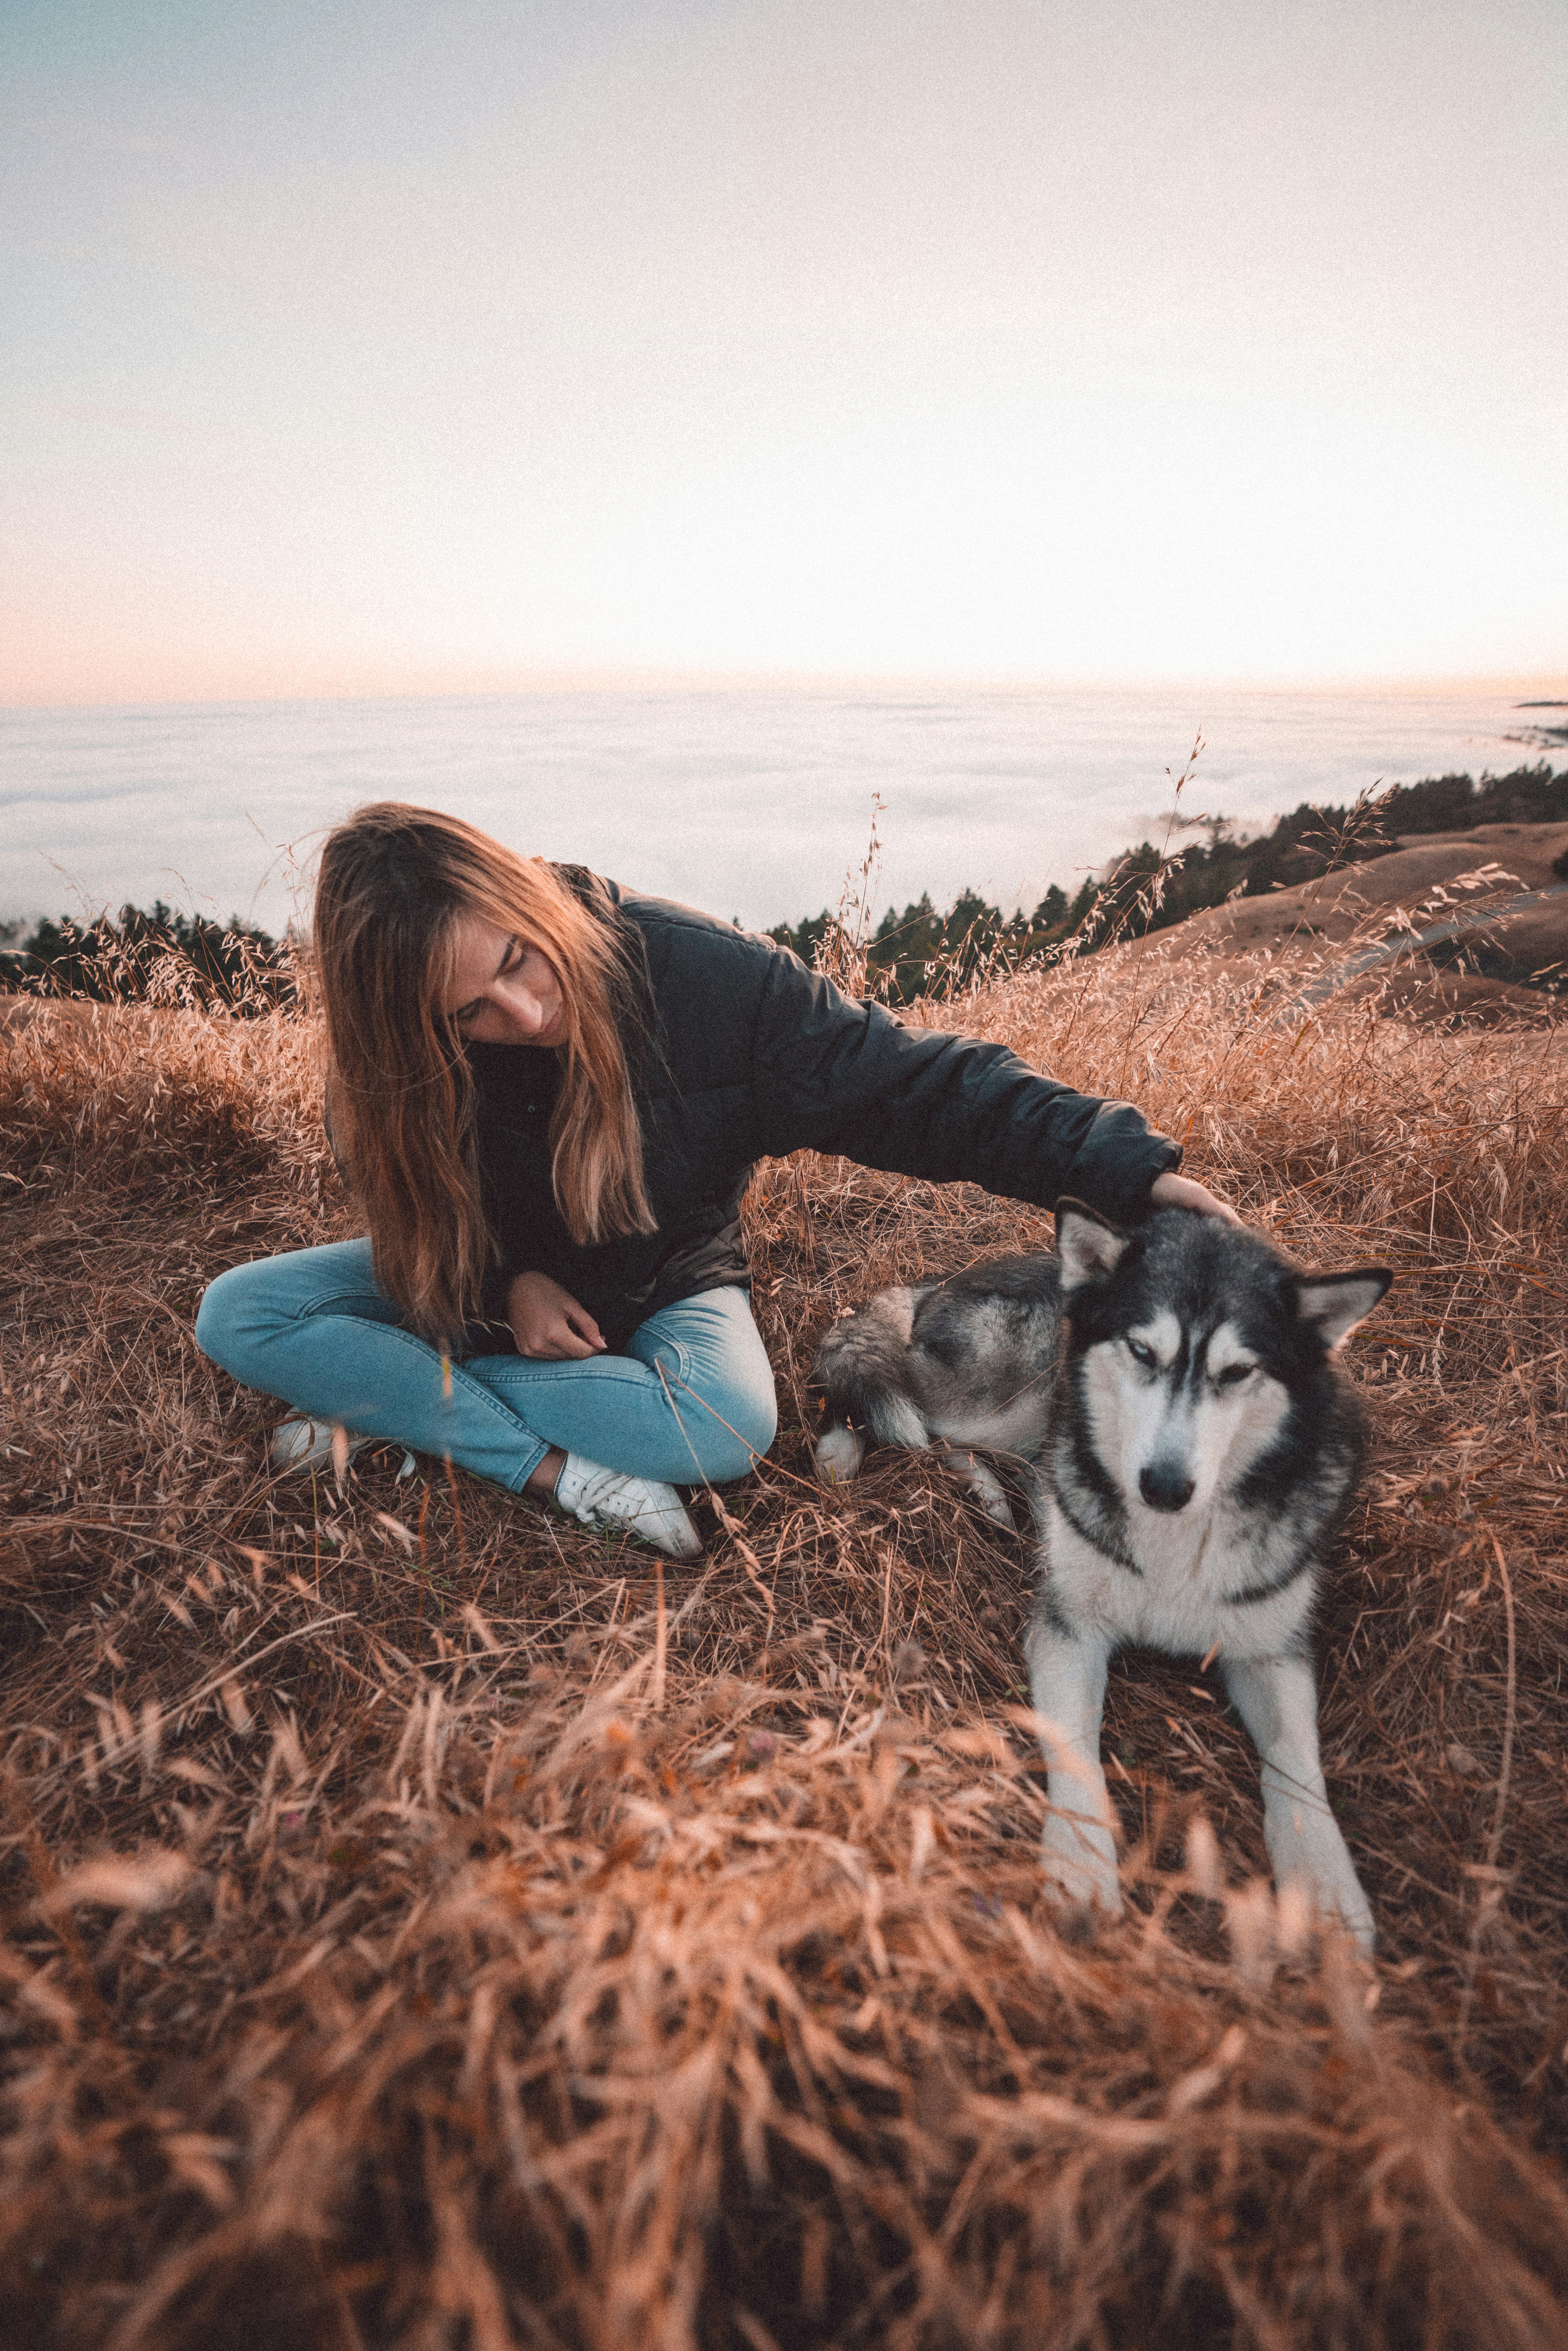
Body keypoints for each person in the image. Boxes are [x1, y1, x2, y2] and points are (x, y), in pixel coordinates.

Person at [195, 804, 1235, 1558]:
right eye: (468, 1012)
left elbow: (915, 1088)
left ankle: (383, 1402)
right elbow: (410, 1213)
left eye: (520, 959)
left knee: (730, 1429)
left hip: (668, 1279)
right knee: (238, 1314)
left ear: (530, 898)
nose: (521, 1016)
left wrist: (1123, 1171)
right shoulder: (389, 1068)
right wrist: (504, 1284)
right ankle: (538, 1464)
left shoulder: (699, 977)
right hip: (480, 1287)